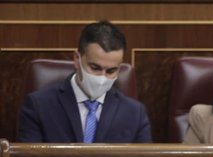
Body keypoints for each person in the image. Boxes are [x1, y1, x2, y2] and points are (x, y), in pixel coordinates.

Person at [17, 20, 151, 143]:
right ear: (77, 59)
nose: (102, 78)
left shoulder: (134, 113)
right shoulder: (39, 105)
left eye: (111, 71)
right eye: (95, 68)